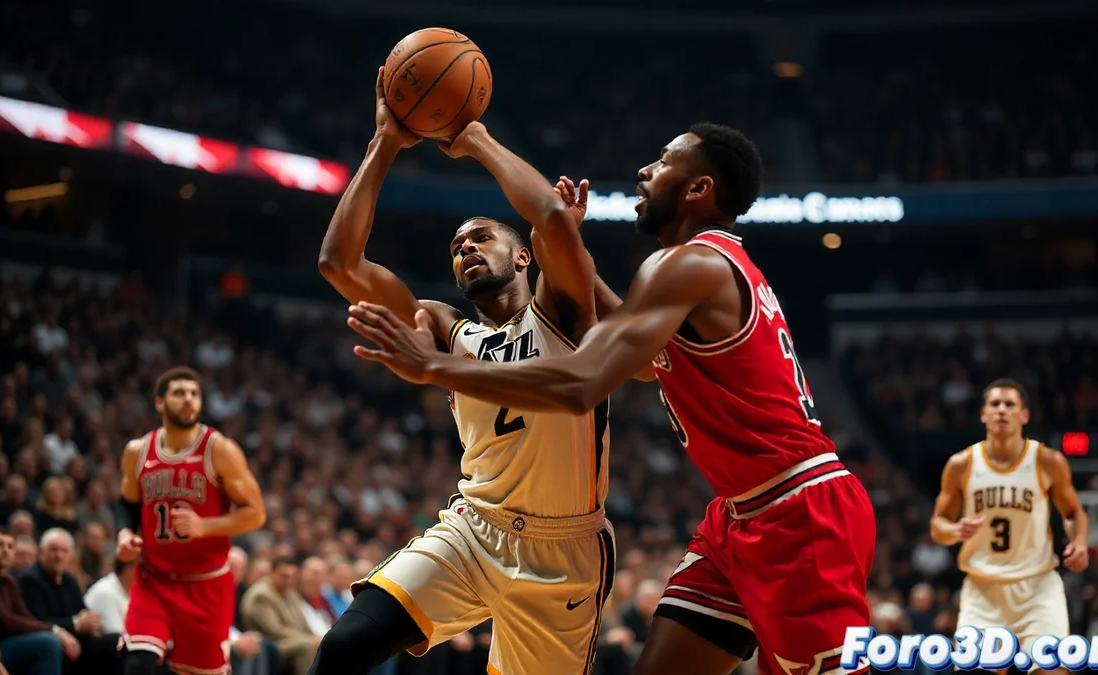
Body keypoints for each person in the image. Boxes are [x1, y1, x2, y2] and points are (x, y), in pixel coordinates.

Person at [346, 123, 877, 675]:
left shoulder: (687, 265)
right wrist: (570, 253)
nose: (645, 170)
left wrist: (434, 366)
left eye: (664, 161)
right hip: (737, 516)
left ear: (699, 189)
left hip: (799, 512)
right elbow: (645, 361)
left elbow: (580, 383)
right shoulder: (698, 270)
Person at [310, 66, 638, 675]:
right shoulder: (444, 328)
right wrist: (385, 141)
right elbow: (339, 263)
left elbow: (553, 221)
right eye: (457, 246)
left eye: (480, 237)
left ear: (521, 256)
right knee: (343, 646)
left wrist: (476, 139)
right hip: (473, 528)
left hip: (564, 550)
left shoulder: (563, 312)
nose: (464, 249)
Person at [116, 366, 267, 675]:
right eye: (179, 393)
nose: (188, 400)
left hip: (205, 585)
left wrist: (204, 526)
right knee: (138, 664)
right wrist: (124, 534)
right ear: (160, 403)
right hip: (153, 580)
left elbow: (256, 513)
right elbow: (127, 504)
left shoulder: (220, 450)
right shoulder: (137, 451)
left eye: (194, 394)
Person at [930, 378, 1090, 671]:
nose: (1002, 410)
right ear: (983, 414)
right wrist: (954, 531)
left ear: (1024, 415)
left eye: (1010, 404)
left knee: (1051, 669)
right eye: (995, 404)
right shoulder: (961, 465)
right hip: (983, 588)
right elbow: (937, 525)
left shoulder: (1047, 461)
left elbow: (1072, 513)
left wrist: (1079, 540)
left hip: (1037, 585)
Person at [18, 528, 121, 674]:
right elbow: (37, 620)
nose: (59, 555)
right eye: (53, 550)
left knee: (117, 642)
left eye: (64, 551)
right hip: (52, 641)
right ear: (41, 552)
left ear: (70, 555)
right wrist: (75, 624)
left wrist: (92, 621)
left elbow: (82, 611)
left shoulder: (69, 580)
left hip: (78, 640)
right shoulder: (30, 580)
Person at [0, 528, 77, 675]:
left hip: (7, 643)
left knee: (53, 641)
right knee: (48, 643)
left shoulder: (8, 582)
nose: (6, 550)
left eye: (10, 546)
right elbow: (6, 620)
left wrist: (54, 631)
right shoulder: (27, 579)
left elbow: (26, 617)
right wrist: (54, 629)